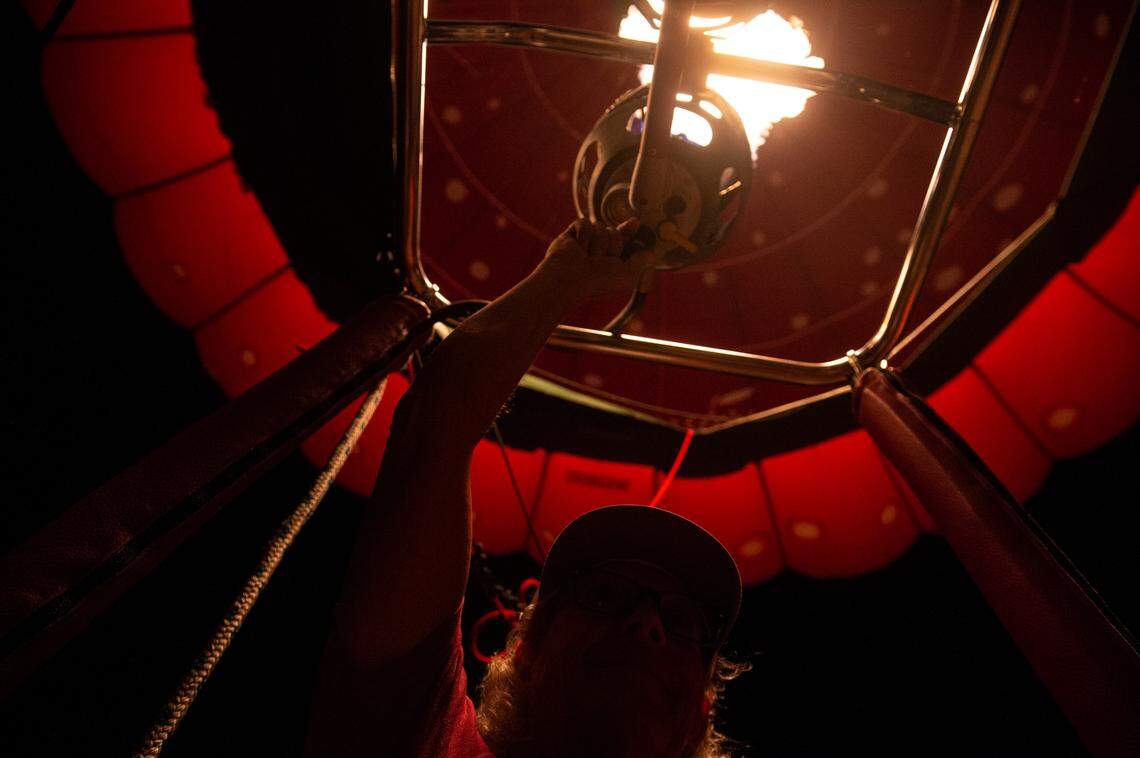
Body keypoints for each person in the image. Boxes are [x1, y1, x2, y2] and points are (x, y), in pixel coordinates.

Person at [305, 218, 747, 757]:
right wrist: (570, 273)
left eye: (681, 622)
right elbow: (436, 428)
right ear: (524, 655)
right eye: (605, 596)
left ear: (701, 710)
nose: (647, 622)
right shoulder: (433, 740)